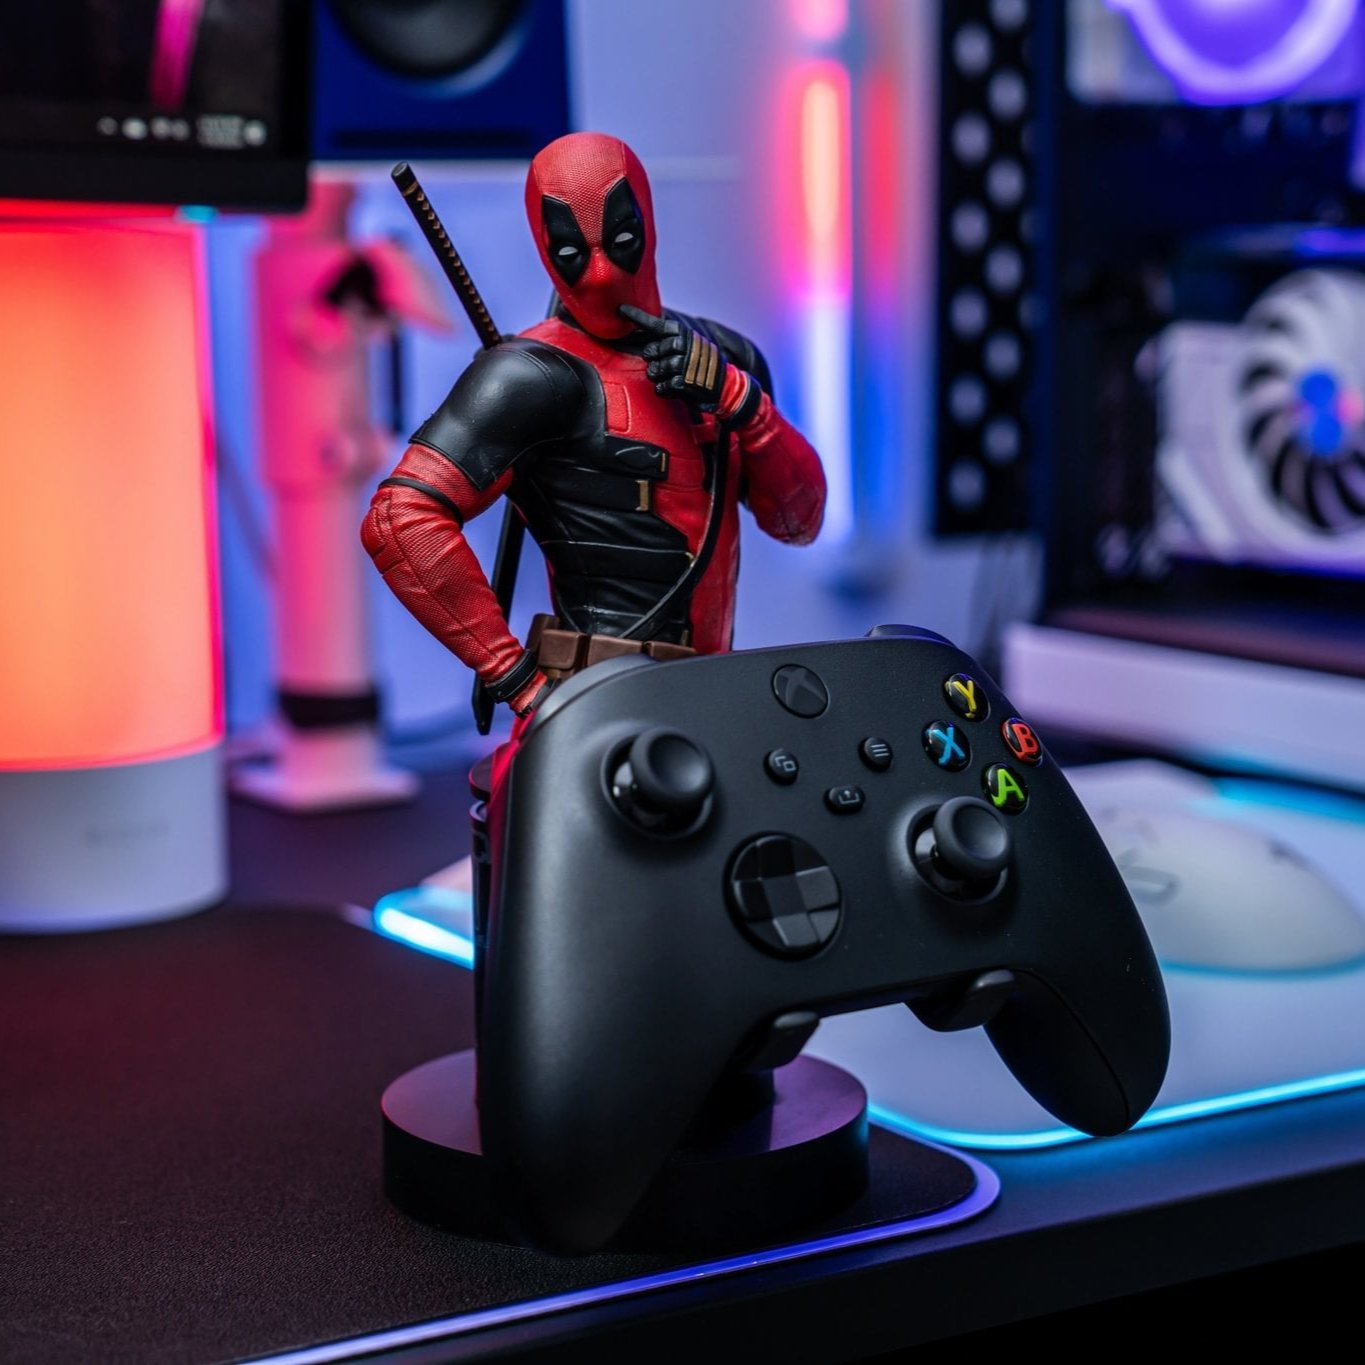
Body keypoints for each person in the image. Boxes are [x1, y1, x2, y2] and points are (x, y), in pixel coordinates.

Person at [362, 131, 825, 872]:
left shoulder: (726, 359)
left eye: (621, 240)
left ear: (648, 222)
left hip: (714, 707)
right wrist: (518, 680)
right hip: (592, 709)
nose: (603, 272)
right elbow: (398, 519)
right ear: (547, 252)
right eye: (574, 253)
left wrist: (741, 403)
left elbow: (798, 519)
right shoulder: (533, 375)